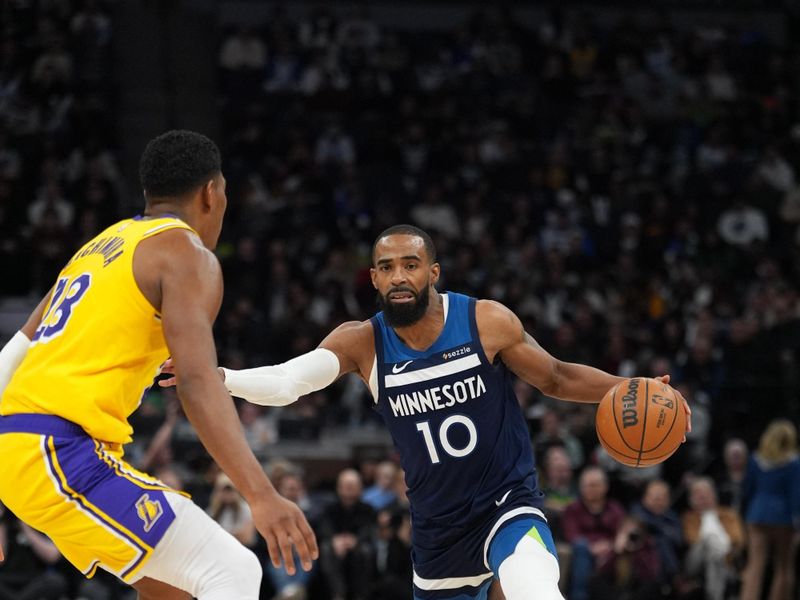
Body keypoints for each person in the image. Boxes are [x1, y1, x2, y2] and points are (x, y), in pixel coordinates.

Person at [162, 224, 690, 600]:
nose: (399, 276)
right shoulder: (362, 343)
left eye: (410, 265)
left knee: (534, 585)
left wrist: (631, 386)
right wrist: (217, 377)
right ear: (372, 278)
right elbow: (287, 382)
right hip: (437, 528)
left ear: (432, 272)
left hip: (507, 501)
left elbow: (556, 376)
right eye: (387, 267)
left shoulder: (485, 321)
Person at [0, 130, 317, 599]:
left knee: (173, 589)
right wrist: (261, 494)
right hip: (62, 451)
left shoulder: (98, 247)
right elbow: (195, 382)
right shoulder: (187, 254)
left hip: (24, 452)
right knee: (235, 572)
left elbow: (14, 353)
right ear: (212, 193)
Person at [739, 419, 800, 600]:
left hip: (757, 513)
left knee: (755, 565)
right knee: (783, 566)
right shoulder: (795, 463)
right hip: (784, 517)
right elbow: (796, 494)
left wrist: (745, 513)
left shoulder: (755, 459)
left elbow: (747, 489)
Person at [680, 477, 744, 600]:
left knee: (715, 556)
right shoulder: (688, 518)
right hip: (697, 559)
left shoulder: (729, 514)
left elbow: (738, 540)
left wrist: (722, 553)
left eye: (706, 494)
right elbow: (692, 540)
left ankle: (714, 596)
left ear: (714, 495)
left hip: (727, 559)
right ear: (691, 499)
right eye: (698, 495)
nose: (703, 498)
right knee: (710, 540)